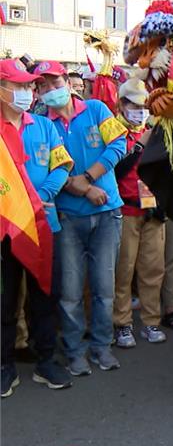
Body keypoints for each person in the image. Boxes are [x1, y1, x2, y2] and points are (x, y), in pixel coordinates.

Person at [37, 61, 127, 376]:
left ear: (68, 82)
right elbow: (44, 168)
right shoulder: (41, 125)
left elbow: (119, 144)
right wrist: (79, 188)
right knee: (71, 292)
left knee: (104, 288)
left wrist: (87, 179)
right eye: (43, 86)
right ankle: (74, 351)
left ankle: (102, 346)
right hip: (67, 217)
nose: (51, 90)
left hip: (106, 214)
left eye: (55, 82)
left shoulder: (97, 109)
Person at [1, 58, 74, 397]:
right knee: (5, 301)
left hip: (46, 224)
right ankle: (5, 366)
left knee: (46, 294)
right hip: (6, 231)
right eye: (18, 86)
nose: (27, 92)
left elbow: (62, 164)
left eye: (29, 86)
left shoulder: (43, 126)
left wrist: (42, 195)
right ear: (2, 91)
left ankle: (46, 359)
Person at [112, 79, 167, 348]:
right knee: (123, 270)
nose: (140, 111)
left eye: (143, 106)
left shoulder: (156, 131)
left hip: (153, 211)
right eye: (134, 105)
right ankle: (122, 323)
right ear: (122, 105)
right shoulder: (111, 131)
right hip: (125, 210)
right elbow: (114, 169)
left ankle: (151, 320)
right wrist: (139, 146)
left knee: (153, 269)